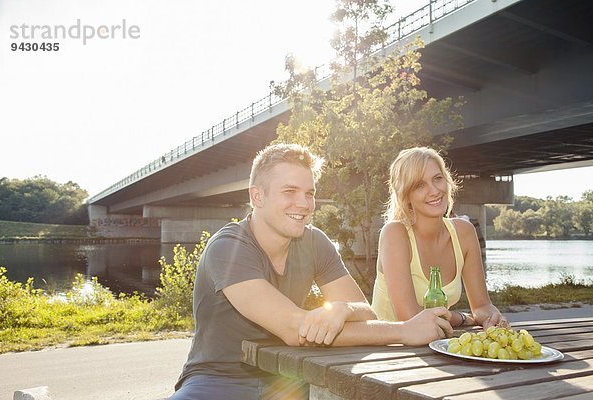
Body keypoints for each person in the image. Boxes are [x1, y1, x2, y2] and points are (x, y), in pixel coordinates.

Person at [170, 143, 452, 400]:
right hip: (217, 381)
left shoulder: (315, 241)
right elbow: (296, 330)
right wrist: (403, 331)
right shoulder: (228, 248)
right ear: (257, 196)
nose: (304, 204)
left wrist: (344, 309)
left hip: (292, 381)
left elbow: (366, 313)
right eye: (289, 192)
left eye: (309, 193)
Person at [372, 146, 508, 330]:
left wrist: (491, 316)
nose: (434, 191)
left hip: (435, 344)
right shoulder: (395, 234)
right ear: (406, 196)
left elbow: (482, 305)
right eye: (420, 185)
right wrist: (460, 318)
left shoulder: (465, 232)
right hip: (389, 351)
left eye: (437, 179)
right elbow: (411, 317)